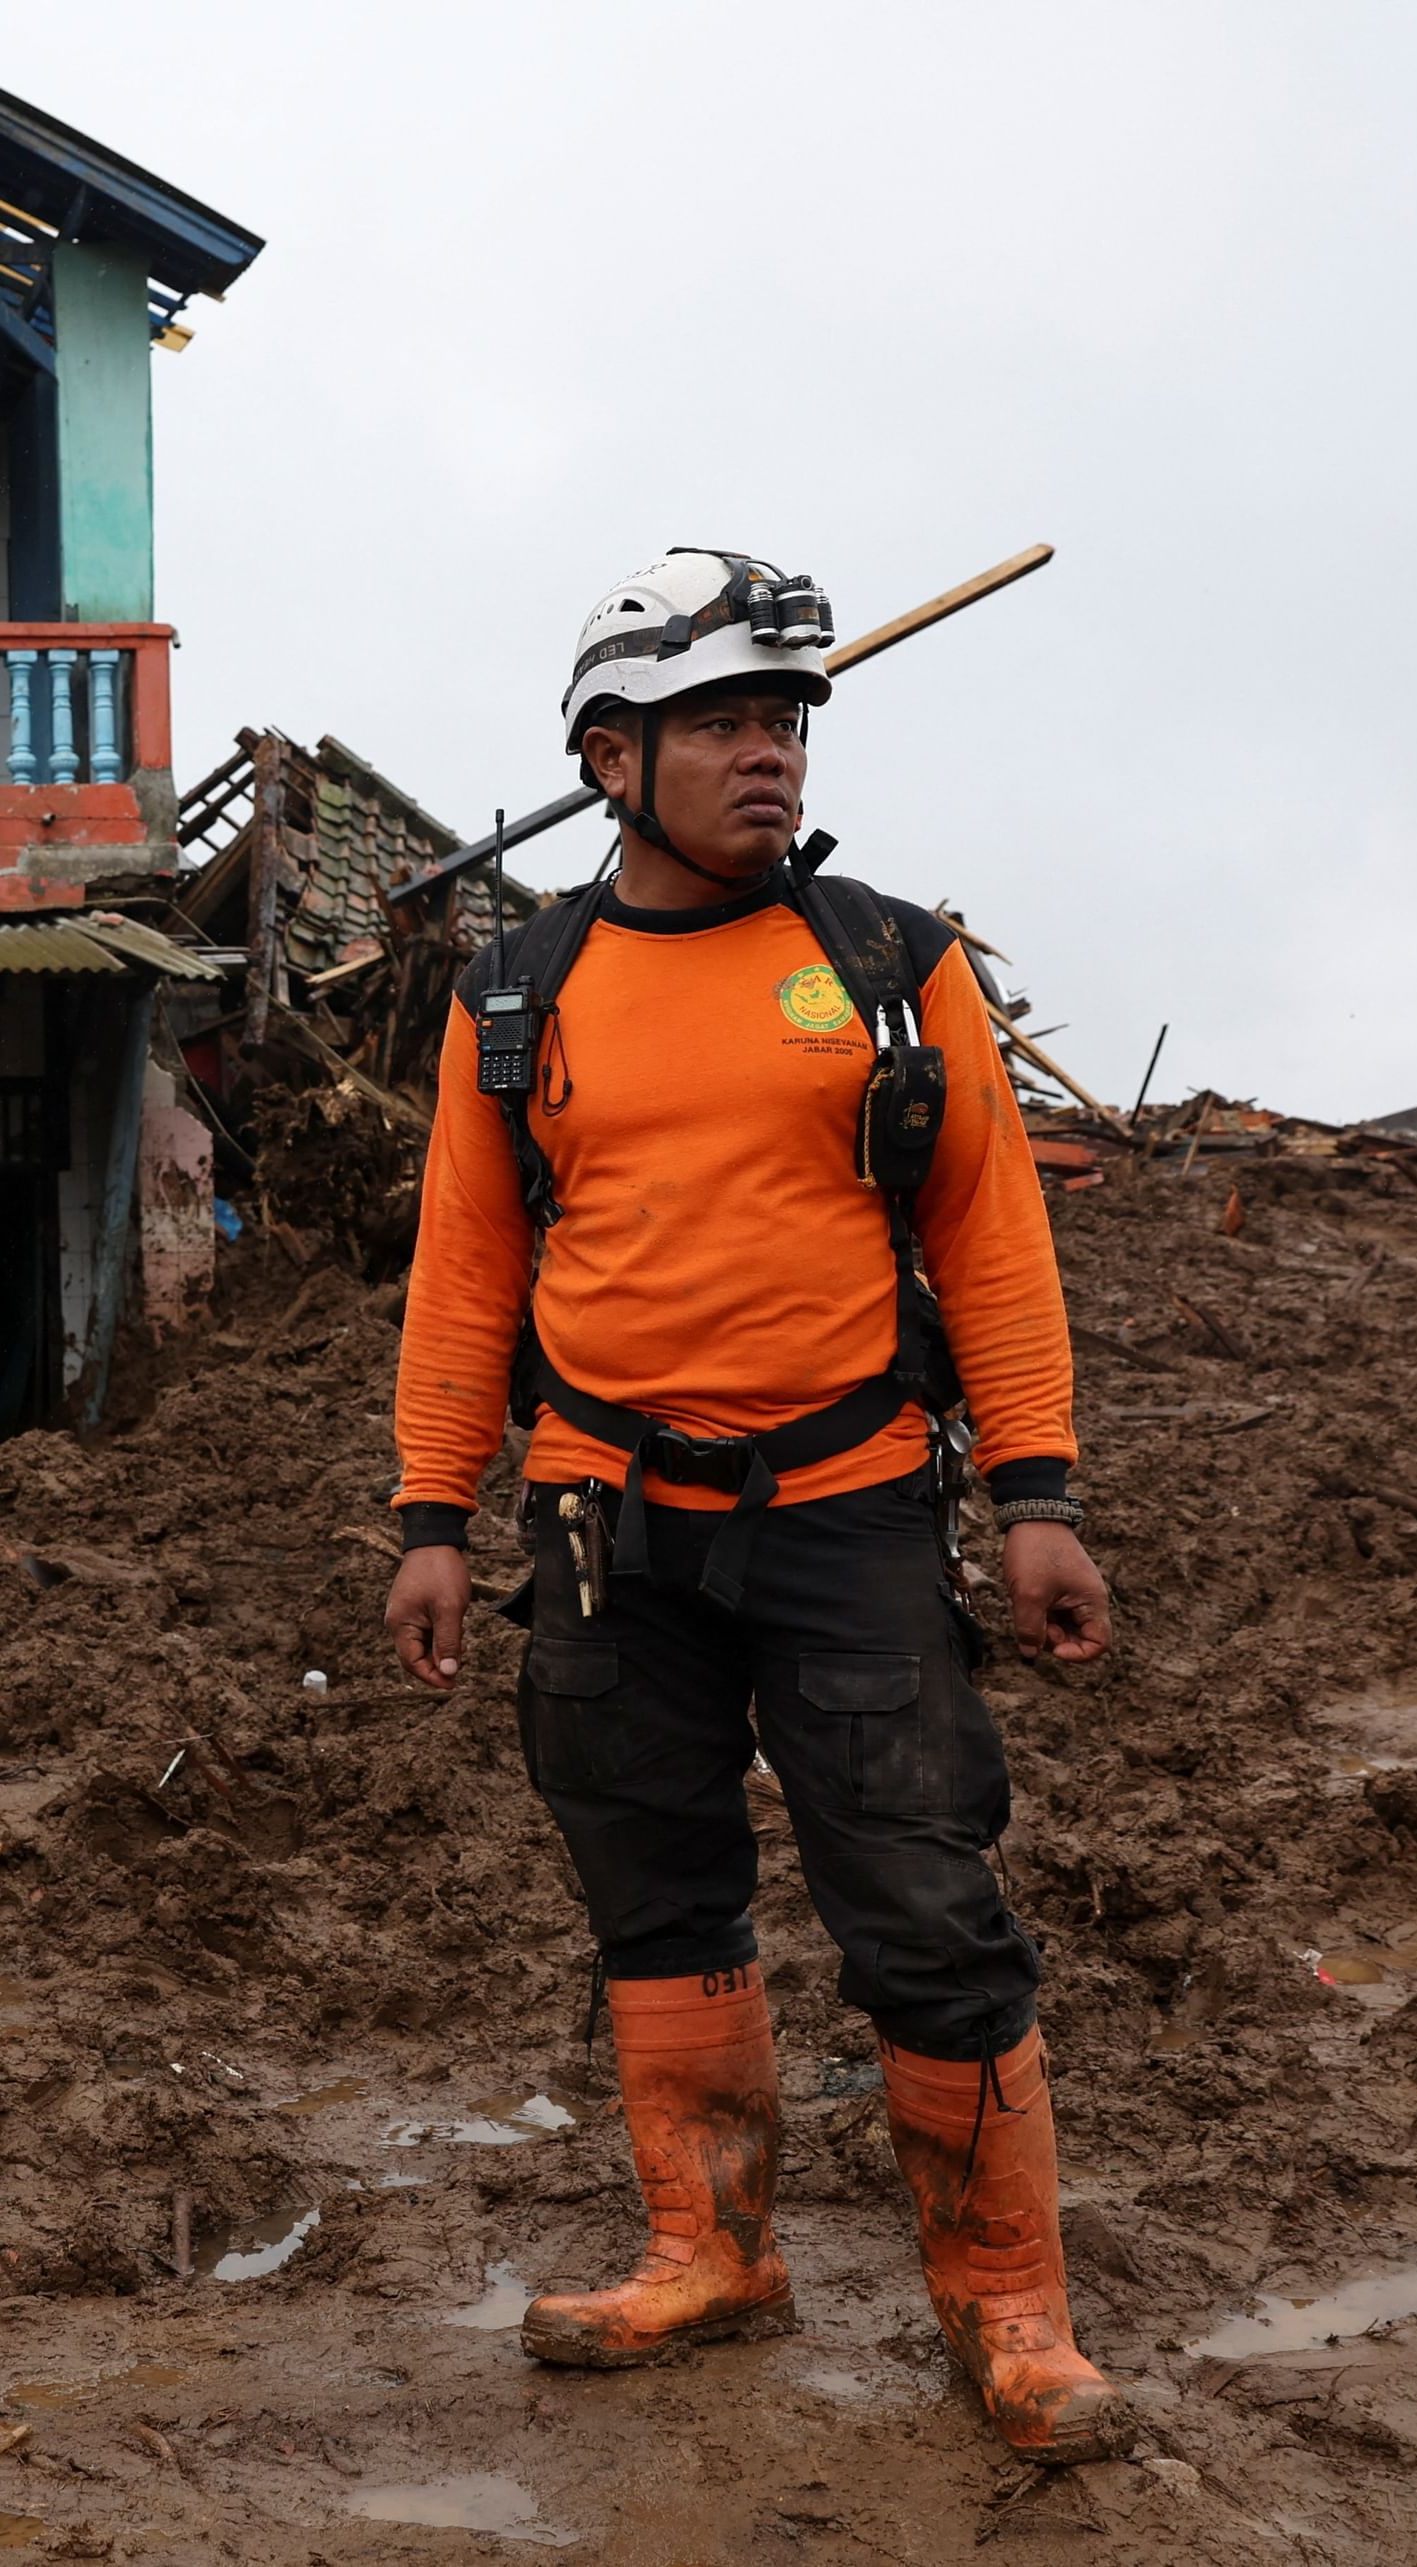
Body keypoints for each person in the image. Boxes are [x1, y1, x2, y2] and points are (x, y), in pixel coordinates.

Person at [381, 549, 1122, 2462]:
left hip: (858, 1509)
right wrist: (429, 1515)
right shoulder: (518, 994)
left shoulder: (889, 967)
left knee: (926, 1907)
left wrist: (1034, 1487)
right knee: (656, 1893)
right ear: (609, 756)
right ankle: (711, 2247)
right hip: (600, 1526)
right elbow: (466, 1273)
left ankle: (1009, 2310)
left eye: (784, 717)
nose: (768, 752)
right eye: (720, 720)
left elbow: (997, 1237)